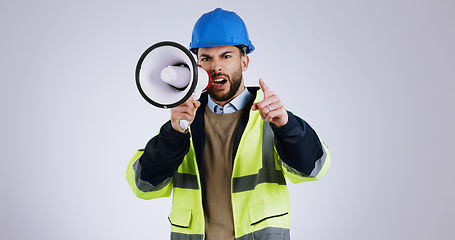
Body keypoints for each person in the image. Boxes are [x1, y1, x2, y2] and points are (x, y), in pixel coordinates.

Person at [126, 8, 330, 240]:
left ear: (244, 61)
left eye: (226, 56)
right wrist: (174, 133)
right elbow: (142, 186)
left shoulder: (271, 119)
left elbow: (315, 169)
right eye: (206, 58)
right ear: (196, 65)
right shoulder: (182, 125)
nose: (216, 66)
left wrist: (287, 126)